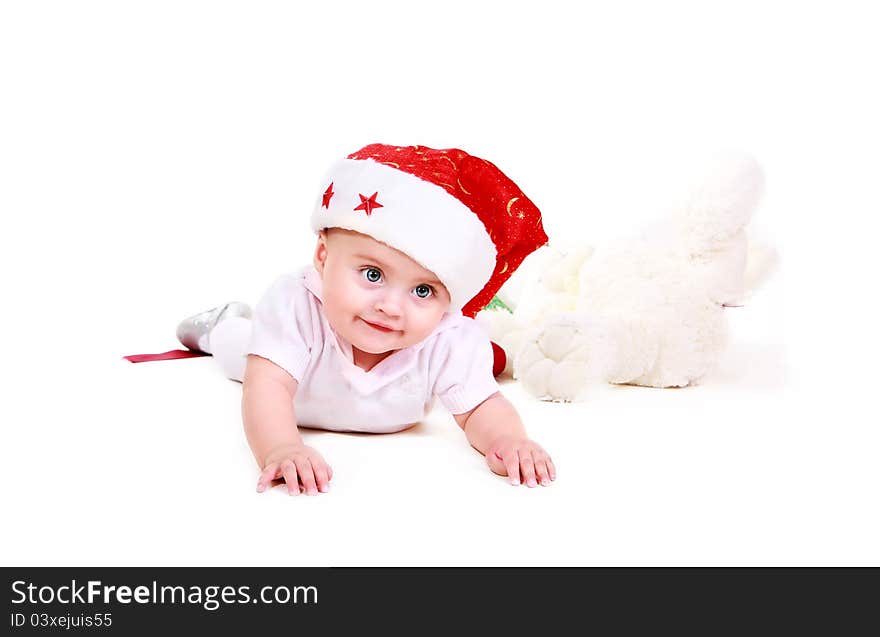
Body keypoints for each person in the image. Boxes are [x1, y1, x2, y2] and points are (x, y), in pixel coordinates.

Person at [176, 143, 554, 496]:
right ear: (323, 258)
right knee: (237, 348)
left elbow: (480, 405)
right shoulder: (296, 305)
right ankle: (220, 324)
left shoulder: (449, 336)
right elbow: (266, 387)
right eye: (372, 275)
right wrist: (282, 447)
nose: (391, 307)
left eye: (423, 291)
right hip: (280, 369)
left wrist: (509, 440)